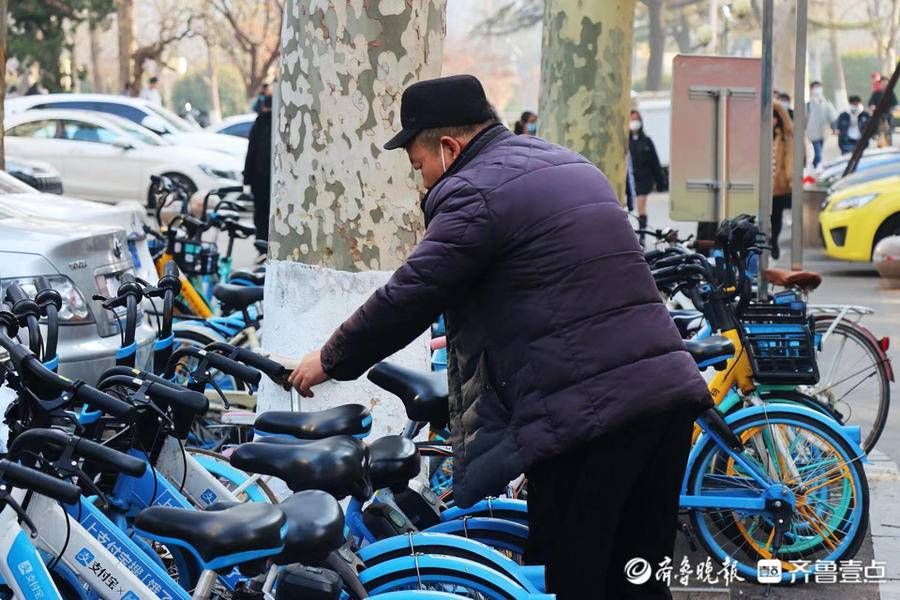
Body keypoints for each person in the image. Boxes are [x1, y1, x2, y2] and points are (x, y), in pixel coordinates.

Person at [286, 74, 711, 599]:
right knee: (637, 579)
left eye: (418, 166)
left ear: (448, 147)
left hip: (591, 419)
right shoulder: (565, 163)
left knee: (564, 580)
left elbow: (410, 294)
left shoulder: (472, 190)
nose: (421, 182)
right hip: (665, 398)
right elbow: (557, 285)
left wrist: (328, 359)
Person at [628, 109, 667, 240]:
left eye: (636, 119)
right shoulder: (626, 141)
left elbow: (655, 162)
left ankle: (642, 234)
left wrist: (661, 182)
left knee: (641, 206)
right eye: (631, 119)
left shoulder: (647, 141)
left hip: (644, 179)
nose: (634, 122)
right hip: (631, 179)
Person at [244, 95, 273, 245]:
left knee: (260, 212)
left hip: (258, 178)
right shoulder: (278, 123)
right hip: (272, 179)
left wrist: (247, 177)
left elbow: (251, 152)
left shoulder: (260, 122)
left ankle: (261, 243)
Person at [771, 101, 793, 261]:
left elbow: (790, 160)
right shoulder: (758, 133)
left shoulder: (784, 137)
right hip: (761, 184)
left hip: (778, 185)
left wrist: (789, 179)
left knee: (776, 217)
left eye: (774, 117)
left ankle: (773, 242)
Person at [806, 81, 837, 169]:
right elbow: (803, 119)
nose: (817, 90)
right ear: (811, 89)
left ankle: (816, 167)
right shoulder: (808, 105)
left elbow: (833, 117)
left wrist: (834, 128)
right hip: (812, 133)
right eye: (815, 87)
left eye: (818, 87)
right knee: (817, 153)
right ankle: (817, 168)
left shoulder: (826, 103)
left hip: (824, 133)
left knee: (819, 153)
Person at [868, 76, 898, 144]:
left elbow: (895, 103)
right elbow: (871, 102)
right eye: (883, 83)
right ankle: (878, 140)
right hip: (878, 115)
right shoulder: (876, 93)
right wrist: (872, 106)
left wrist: (895, 108)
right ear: (880, 84)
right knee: (879, 132)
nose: (884, 85)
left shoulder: (891, 93)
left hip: (888, 115)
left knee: (888, 132)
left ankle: (888, 143)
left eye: (886, 83)